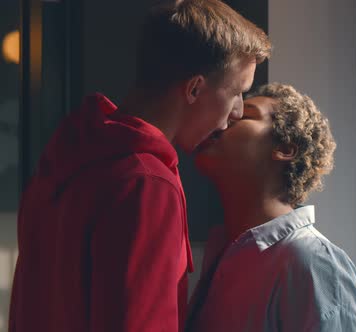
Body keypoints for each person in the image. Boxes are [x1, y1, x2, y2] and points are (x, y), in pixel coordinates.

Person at [9, 1, 271, 331]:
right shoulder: (147, 184)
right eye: (237, 93)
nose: (237, 112)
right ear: (195, 88)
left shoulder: (66, 159)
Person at [186, 83, 356, 331]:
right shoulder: (222, 251)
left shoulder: (313, 263)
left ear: (284, 148)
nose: (227, 117)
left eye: (246, 114)